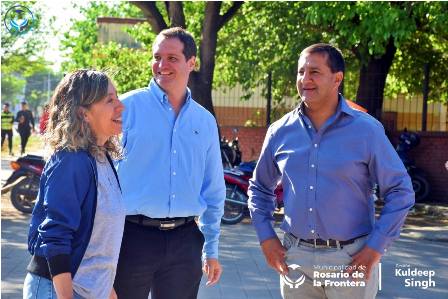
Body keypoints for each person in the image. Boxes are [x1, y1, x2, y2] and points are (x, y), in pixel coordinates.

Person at [248, 43, 415, 299]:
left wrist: (375, 248)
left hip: (350, 260)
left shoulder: (367, 131)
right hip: (296, 258)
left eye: (314, 72)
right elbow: (259, 188)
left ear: (337, 78)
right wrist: (266, 237)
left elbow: (401, 191)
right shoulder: (279, 131)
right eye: (301, 72)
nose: (305, 79)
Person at [114, 27, 226, 299]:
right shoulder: (124, 109)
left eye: (172, 58)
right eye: (157, 57)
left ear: (191, 63)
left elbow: (213, 189)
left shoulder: (205, 121)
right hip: (130, 238)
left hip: (185, 241)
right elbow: (100, 176)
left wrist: (210, 248)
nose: (162, 65)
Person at [24, 70, 125, 299]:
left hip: (88, 291)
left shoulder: (101, 157)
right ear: (83, 113)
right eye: (110, 100)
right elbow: (55, 236)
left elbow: (96, 238)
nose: (121, 106)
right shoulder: (72, 161)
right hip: (57, 290)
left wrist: (107, 290)